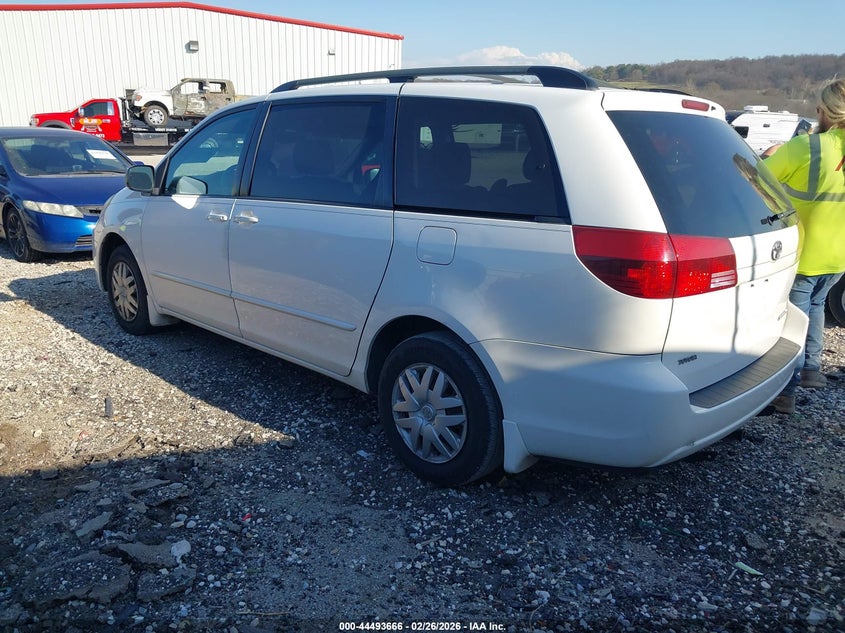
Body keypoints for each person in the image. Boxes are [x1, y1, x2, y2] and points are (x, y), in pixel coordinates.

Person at [763, 78, 845, 414]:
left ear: (822, 111)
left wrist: (771, 156)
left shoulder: (805, 147)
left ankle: (787, 393)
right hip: (838, 255)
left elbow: (755, 179)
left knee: (792, 323)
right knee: (815, 307)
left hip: (804, 252)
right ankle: (811, 369)